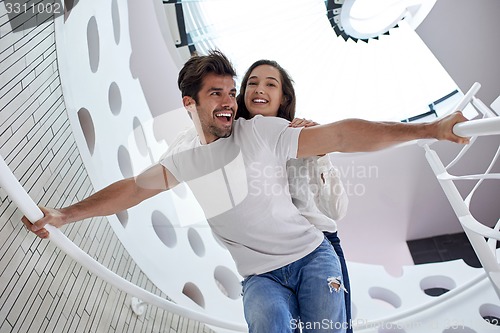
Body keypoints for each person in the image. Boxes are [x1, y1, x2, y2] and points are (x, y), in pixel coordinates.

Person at [23, 50, 469, 333]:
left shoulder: (263, 132)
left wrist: (429, 128)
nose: (231, 100)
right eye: (217, 93)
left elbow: (343, 135)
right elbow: (130, 192)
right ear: (190, 104)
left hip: (314, 255)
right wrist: (63, 214)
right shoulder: (184, 160)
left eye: (232, 91)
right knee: (268, 325)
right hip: (260, 278)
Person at [235, 59, 353, 332]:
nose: (259, 89)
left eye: (270, 84)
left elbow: (336, 210)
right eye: (252, 83)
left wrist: (320, 151)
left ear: (283, 97)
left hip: (318, 245)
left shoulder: (300, 138)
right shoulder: (234, 143)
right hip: (268, 255)